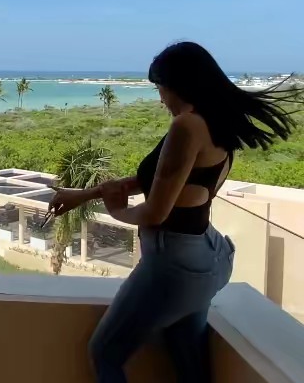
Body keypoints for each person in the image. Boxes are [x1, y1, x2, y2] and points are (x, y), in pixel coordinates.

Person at [48, 41, 302, 383]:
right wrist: (83, 195)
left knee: (105, 352)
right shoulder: (217, 123)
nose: (161, 99)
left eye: (160, 88)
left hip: (175, 266)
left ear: (178, 85)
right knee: (187, 357)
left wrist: (117, 211)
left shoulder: (186, 126)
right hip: (209, 258)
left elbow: (155, 212)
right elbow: (153, 181)